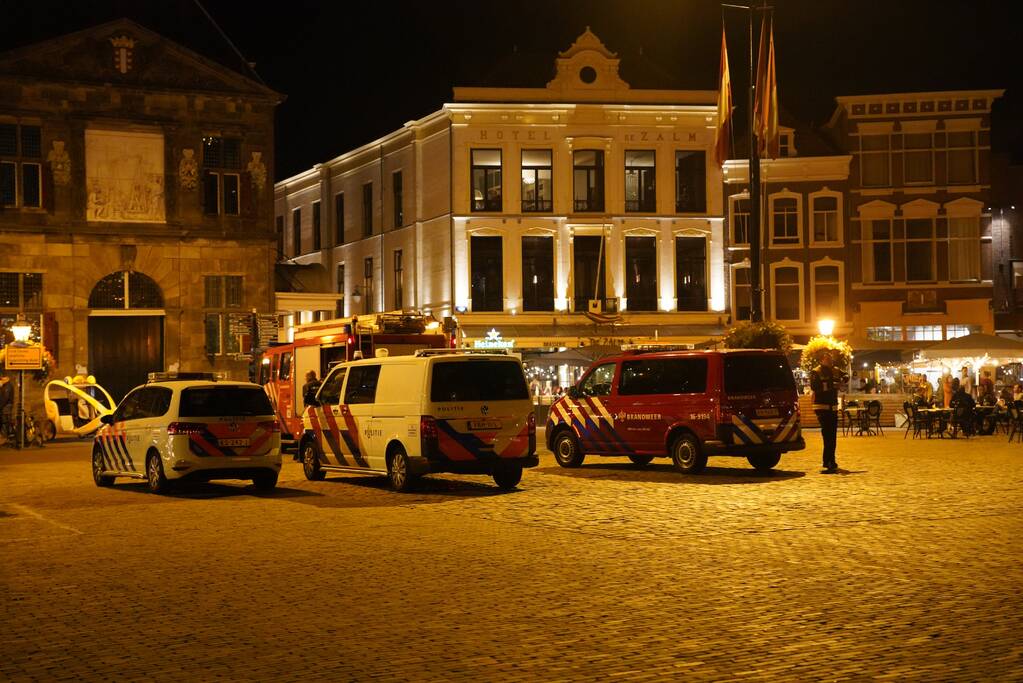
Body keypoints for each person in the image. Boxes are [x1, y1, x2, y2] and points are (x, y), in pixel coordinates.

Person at [810, 349, 846, 474]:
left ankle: (831, 460)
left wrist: (842, 381)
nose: (830, 360)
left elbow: (846, 375)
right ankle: (828, 461)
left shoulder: (835, 370)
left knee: (832, 436)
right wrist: (831, 385)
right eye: (827, 358)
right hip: (822, 407)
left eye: (830, 358)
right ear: (821, 360)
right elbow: (815, 387)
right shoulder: (816, 371)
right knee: (827, 435)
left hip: (833, 407)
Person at [0, 374, 13, 438]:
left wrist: (1, 406)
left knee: (5, 420)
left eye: (2, 379)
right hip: (5, 405)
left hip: (6, 406)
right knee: (5, 420)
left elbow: (5, 398)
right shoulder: (5, 386)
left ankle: (6, 435)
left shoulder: (8, 386)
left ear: (7, 379)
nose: (1, 380)